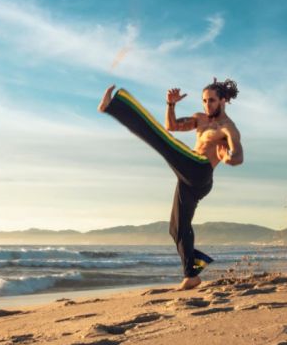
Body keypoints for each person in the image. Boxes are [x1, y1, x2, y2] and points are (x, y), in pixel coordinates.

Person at [98, 78, 244, 290]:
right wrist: (171, 105)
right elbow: (172, 125)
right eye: (204, 100)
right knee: (177, 228)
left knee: (161, 140)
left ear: (223, 101)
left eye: (211, 100)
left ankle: (114, 107)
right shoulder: (200, 119)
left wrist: (228, 158)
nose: (207, 105)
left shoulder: (228, 127)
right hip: (188, 177)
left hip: (200, 170)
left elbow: (238, 154)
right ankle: (192, 274)